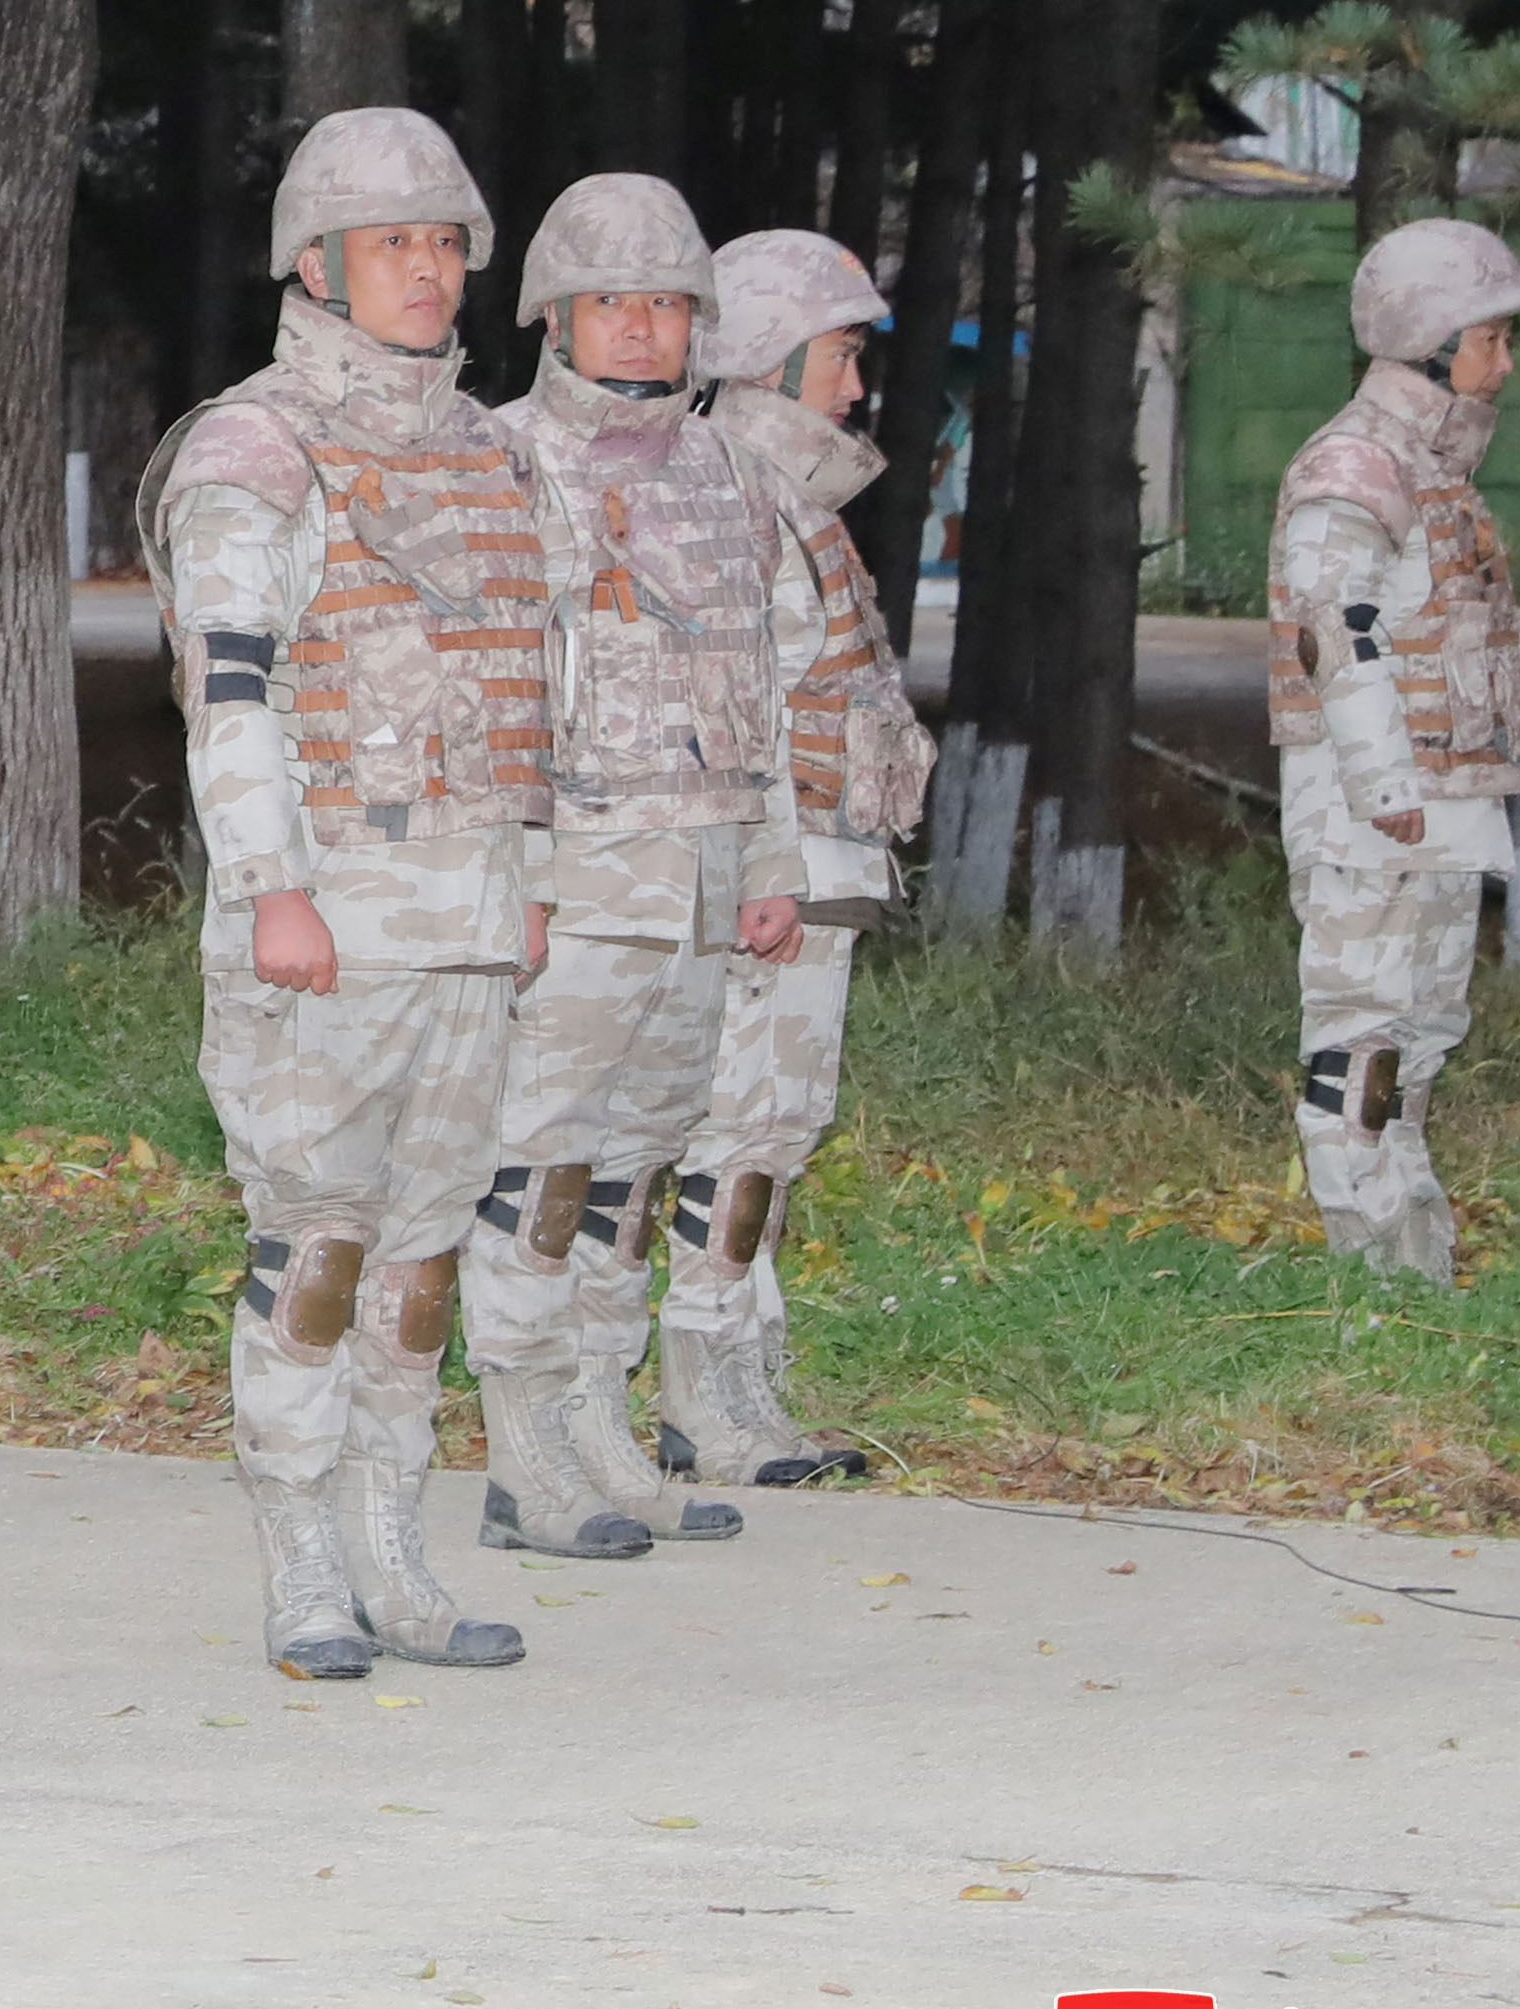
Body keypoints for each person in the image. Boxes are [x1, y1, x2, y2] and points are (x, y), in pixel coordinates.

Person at [138, 106, 536, 1681]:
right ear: (318, 266)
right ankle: (303, 1562)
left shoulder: (495, 452)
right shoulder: (253, 450)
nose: (428, 270)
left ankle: (396, 1554)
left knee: (423, 1257)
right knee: (317, 1246)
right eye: (396, 244)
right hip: (325, 918)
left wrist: (541, 881)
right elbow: (230, 696)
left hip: (468, 921)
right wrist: (271, 892)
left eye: (445, 242)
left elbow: (538, 695)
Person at [467, 172, 796, 1560]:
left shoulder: (728, 468)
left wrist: (771, 853)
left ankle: (602, 1426)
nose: (645, 328)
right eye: (616, 301)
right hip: (581, 874)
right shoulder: (497, 455)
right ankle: (523, 1448)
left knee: (633, 1173)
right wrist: (514, 877)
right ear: (556, 312)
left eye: (669, 303)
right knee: (539, 1167)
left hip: (705, 872)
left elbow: (761, 678)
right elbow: (482, 693)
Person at [667, 230, 930, 1487]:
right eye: (841, 352)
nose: (857, 382)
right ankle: (700, 1393)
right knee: (737, 1127)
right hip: (771, 871)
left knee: (776, 1127)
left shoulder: (791, 498)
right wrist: (751, 871)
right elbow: (729, 712)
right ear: (771, 355)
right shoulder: (731, 491)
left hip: (819, 858)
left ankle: (745, 1385)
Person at [1265, 217, 1520, 1286]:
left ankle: (1413, 1280)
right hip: (1376, 808)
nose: (1502, 362)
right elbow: (1335, 627)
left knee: (1417, 1046)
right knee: (1364, 1049)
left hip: (1435, 799)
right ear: (1431, 341)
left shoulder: (1427, 467)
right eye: (1489, 339)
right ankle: (1372, 1287)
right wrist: (1385, 785)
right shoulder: (1357, 462)